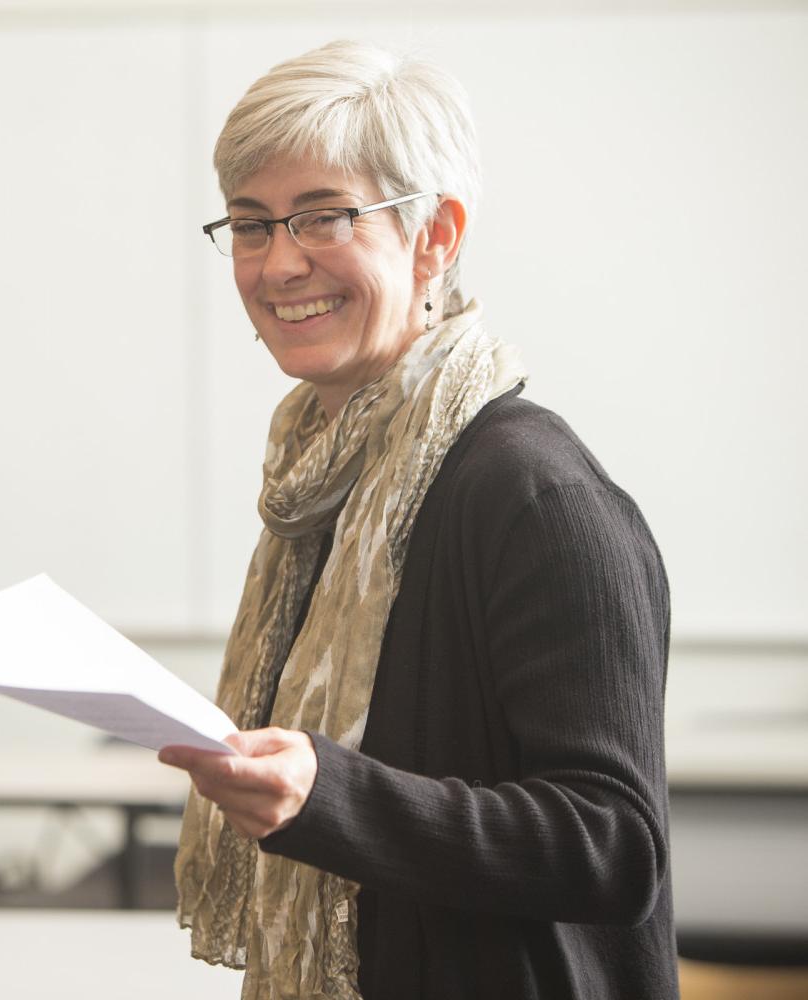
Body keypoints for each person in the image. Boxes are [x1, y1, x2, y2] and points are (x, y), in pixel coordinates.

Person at [157, 41, 675, 1000]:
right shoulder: (322, 484)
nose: (279, 264)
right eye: (250, 224)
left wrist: (330, 796)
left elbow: (613, 848)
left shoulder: (533, 492)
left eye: (323, 216)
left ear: (435, 236)